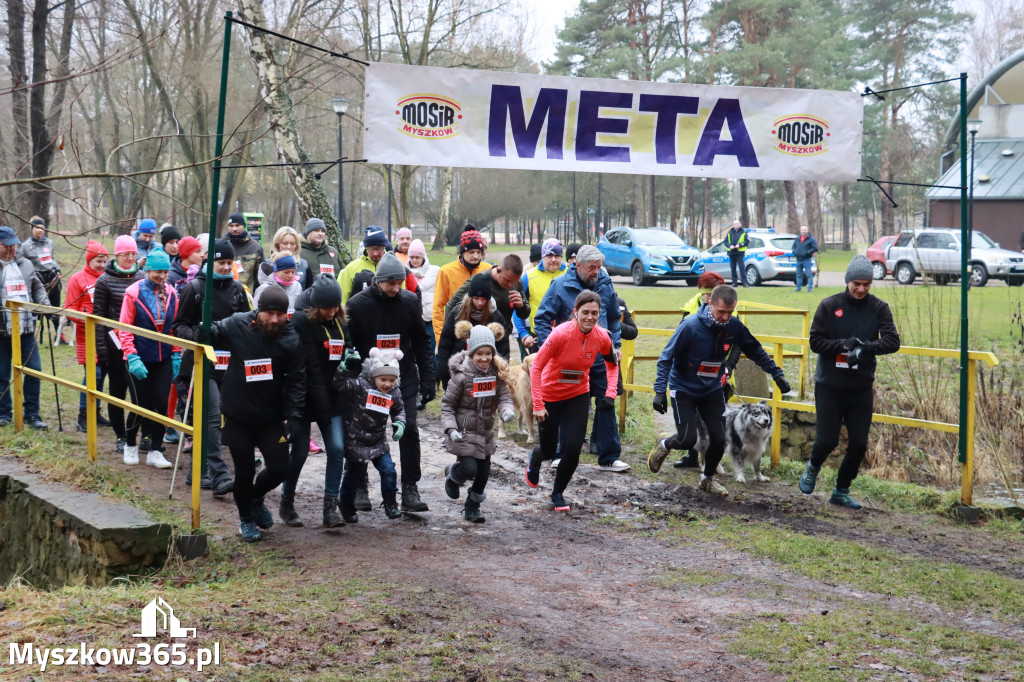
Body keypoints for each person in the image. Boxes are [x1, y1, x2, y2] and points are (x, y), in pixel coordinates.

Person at [647, 284, 792, 497]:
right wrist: (660, 390)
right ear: (710, 303)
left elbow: (755, 350)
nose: (725, 317)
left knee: (719, 439)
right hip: (684, 388)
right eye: (721, 311)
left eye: (730, 312)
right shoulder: (691, 326)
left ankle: (707, 479)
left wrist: (777, 374)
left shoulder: (734, 326)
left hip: (712, 388)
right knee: (687, 439)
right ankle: (665, 443)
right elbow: (666, 357)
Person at [203, 285, 305, 542]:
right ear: (258, 311)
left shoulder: (291, 338)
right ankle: (246, 518)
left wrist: (294, 416)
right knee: (245, 472)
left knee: (281, 468)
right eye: (269, 314)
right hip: (238, 416)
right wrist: (204, 329)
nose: (274, 320)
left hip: (271, 418)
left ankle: (257, 498)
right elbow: (212, 332)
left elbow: (296, 380)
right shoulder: (238, 323)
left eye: (279, 314)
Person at [799, 255, 901, 509]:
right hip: (829, 386)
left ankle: (841, 490)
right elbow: (815, 342)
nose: (861, 289)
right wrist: (842, 345)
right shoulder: (829, 305)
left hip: (860, 388)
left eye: (866, 284)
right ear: (847, 281)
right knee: (828, 440)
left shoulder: (879, 308)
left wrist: (865, 348)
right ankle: (812, 467)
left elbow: (892, 341)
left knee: (858, 444)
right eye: (857, 283)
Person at [345, 253, 435, 513]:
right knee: (361, 431)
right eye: (391, 283)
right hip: (367, 380)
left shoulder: (408, 301)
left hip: (402, 377)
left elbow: (421, 341)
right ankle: (360, 485)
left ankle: (409, 488)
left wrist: (428, 377)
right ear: (378, 281)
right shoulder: (357, 305)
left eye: (400, 283)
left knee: (410, 428)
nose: (396, 288)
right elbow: (351, 345)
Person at [534, 245, 628, 472]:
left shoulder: (605, 285)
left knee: (607, 402)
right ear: (578, 265)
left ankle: (609, 456)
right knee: (565, 406)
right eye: (592, 268)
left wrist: (615, 344)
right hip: (568, 362)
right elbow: (542, 318)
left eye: (599, 267)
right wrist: (551, 350)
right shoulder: (559, 285)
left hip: (600, 356)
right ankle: (559, 453)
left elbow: (615, 319)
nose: (596, 272)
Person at [526, 291, 619, 511]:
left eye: (594, 313)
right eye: (585, 312)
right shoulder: (560, 334)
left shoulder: (602, 336)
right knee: (549, 450)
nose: (590, 317)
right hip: (550, 395)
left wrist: (610, 393)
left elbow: (612, 365)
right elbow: (536, 367)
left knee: (573, 448)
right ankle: (536, 457)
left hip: (577, 394)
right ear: (575, 312)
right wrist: (538, 404)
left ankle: (557, 493)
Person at [172, 239, 250, 494]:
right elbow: (178, 326)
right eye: (221, 262)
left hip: (232, 363)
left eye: (229, 262)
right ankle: (219, 474)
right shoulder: (194, 288)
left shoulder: (238, 289)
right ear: (209, 261)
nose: (226, 267)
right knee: (214, 417)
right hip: (202, 361)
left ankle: (198, 471)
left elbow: (248, 324)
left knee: (226, 419)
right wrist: (197, 334)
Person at [281, 274, 348, 528]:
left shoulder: (340, 320)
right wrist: (321, 407)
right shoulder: (300, 322)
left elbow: (347, 345)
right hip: (305, 396)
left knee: (337, 448)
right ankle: (287, 502)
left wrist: (350, 359)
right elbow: (312, 368)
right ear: (315, 305)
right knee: (298, 453)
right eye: (327, 307)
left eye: (335, 306)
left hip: (333, 395)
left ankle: (330, 507)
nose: (332, 312)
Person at [442, 325, 515, 523]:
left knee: (483, 473)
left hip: (485, 432)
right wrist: (451, 429)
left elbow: (503, 396)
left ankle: (472, 506)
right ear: (472, 352)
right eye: (479, 353)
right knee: (469, 468)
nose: (484, 358)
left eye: (488, 353)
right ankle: (454, 476)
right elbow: (447, 405)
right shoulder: (461, 375)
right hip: (463, 431)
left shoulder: (495, 374)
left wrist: (507, 410)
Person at [118, 249, 179, 469]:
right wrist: (132, 356)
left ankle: (155, 449)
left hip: (163, 357)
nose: (162, 276)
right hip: (137, 357)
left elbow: (173, 328)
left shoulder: (172, 293)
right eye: (157, 272)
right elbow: (123, 328)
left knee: (161, 403)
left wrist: (176, 353)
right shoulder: (133, 293)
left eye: (165, 272)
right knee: (140, 405)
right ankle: (130, 444)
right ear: (148, 269)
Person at [333, 348, 405, 522]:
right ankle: (346, 504)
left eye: (391, 380)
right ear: (373, 375)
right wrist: (345, 368)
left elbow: (399, 409)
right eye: (383, 379)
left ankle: (390, 503)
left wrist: (400, 423)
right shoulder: (360, 385)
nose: (387, 384)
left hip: (378, 441)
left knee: (389, 470)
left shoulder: (394, 392)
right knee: (353, 476)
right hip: (355, 440)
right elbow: (340, 385)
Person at [93, 236, 145, 451]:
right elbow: (98, 319)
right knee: (117, 391)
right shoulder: (104, 281)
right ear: (117, 255)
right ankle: (120, 435)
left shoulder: (142, 276)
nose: (131, 258)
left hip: (138, 343)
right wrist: (102, 352)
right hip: (114, 345)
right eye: (126, 254)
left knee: (140, 393)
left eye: (134, 254)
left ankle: (142, 434)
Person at [672, 271, 727, 468]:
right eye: (709, 293)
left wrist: (729, 365)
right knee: (693, 419)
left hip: (719, 374)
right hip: (691, 375)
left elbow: (736, 342)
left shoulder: (728, 308)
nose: (712, 298)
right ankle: (692, 455)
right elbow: (679, 345)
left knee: (716, 424)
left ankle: (712, 464)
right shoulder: (690, 311)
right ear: (702, 292)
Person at [0, 225, 50, 429]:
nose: (12, 250)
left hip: (26, 329)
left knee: (34, 370)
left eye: (14, 246)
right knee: (2, 374)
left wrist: (44, 304)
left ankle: (32, 413)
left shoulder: (26, 264)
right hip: (2, 330)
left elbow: (37, 287)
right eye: (6, 246)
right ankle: (4, 413)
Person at [64, 240, 113, 432]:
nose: (101, 265)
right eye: (98, 260)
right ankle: (83, 414)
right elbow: (69, 309)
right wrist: (86, 321)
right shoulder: (77, 279)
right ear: (90, 259)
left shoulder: (108, 278)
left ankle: (96, 411)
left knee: (104, 374)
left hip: (108, 334)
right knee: (94, 373)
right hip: (88, 335)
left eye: (104, 260)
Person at [437, 273, 509, 383]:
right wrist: (445, 374)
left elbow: (503, 348)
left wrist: (501, 373)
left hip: (487, 373)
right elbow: (445, 345)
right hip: (460, 372)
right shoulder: (457, 313)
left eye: (483, 299)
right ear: (470, 297)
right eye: (476, 298)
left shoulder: (495, 316)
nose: (480, 303)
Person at [444, 254, 528, 344]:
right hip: (477, 339)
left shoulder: (517, 283)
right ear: (498, 270)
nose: (511, 285)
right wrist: (448, 336)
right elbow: (451, 305)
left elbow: (524, 314)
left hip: (501, 338)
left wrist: (521, 306)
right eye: (507, 280)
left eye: (514, 281)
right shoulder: (480, 280)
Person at [432, 227, 491, 343]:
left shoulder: (488, 270)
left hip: (484, 334)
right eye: (471, 252)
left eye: (478, 252)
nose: (475, 256)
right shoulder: (446, 271)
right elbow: (438, 308)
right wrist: (441, 339)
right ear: (462, 252)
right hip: (455, 333)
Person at [338, 225, 417, 304]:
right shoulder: (351, 269)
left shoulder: (395, 267)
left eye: (379, 249)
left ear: (384, 247)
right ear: (366, 247)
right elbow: (342, 301)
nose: (375, 253)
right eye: (372, 249)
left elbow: (401, 296)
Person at [513, 238, 567, 354]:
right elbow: (517, 307)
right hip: (538, 338)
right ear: (542, 256)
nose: (553, 260)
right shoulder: (528, 277)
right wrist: (523, 333)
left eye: (557, 256)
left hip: (566, 337)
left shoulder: (570, 275)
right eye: (549, 256)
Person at [18, 216, 62, 339]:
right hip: (35, 278)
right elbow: (22, 263)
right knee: (35, 306)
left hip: (51, 277)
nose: (40, 230)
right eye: (37, 228)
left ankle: (59, 335)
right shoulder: (26, 245)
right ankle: (32, 334)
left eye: (42, 228)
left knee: (55, 306)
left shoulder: (49, 243)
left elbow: (52, 259)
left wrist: (57, 270)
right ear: (32, 229)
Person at [407, 239, 440, 373]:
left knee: (430, 350)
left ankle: (433, 377)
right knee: (414, 351)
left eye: (417, 257)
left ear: (423, 256)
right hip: (413, 319)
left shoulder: (436, 271)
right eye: (412, 257)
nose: (414, 260)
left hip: (430, 318)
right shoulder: (404, 272)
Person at [224, 212, 265, 294]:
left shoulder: (256, 248)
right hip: (225, 294)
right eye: (231, 226)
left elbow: (261, 276)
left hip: (247, 295)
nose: (234, 229)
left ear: (244, 226)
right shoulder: (222, 246)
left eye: (237, 225)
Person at [793, 225, 819, 293]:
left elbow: (815, 248)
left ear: (807, 231)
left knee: (809, 274)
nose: (803, 231)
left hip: (807, 259)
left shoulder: (811, 239)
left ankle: (810, 289)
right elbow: (793, 246)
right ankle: (798, 288)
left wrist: (808, 252)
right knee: (798, 274)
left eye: (805, 230)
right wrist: (794, 252)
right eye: (802, 230)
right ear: (800, 231)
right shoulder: (797, 238)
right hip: (798, 259)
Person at [724, 220, 749, 287]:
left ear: (740, 224)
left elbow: (747, 241)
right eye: (735, 224)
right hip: (732, 253)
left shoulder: (743, 232)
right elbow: (725, 242)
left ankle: (745, 283)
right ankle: (734, 283)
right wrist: (730, 246)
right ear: (733, 225)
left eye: (737, 224)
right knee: (733, 268)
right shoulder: (730, 232)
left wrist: (740, 245)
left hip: (740, 253)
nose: (736, 225)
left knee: (742, 268)